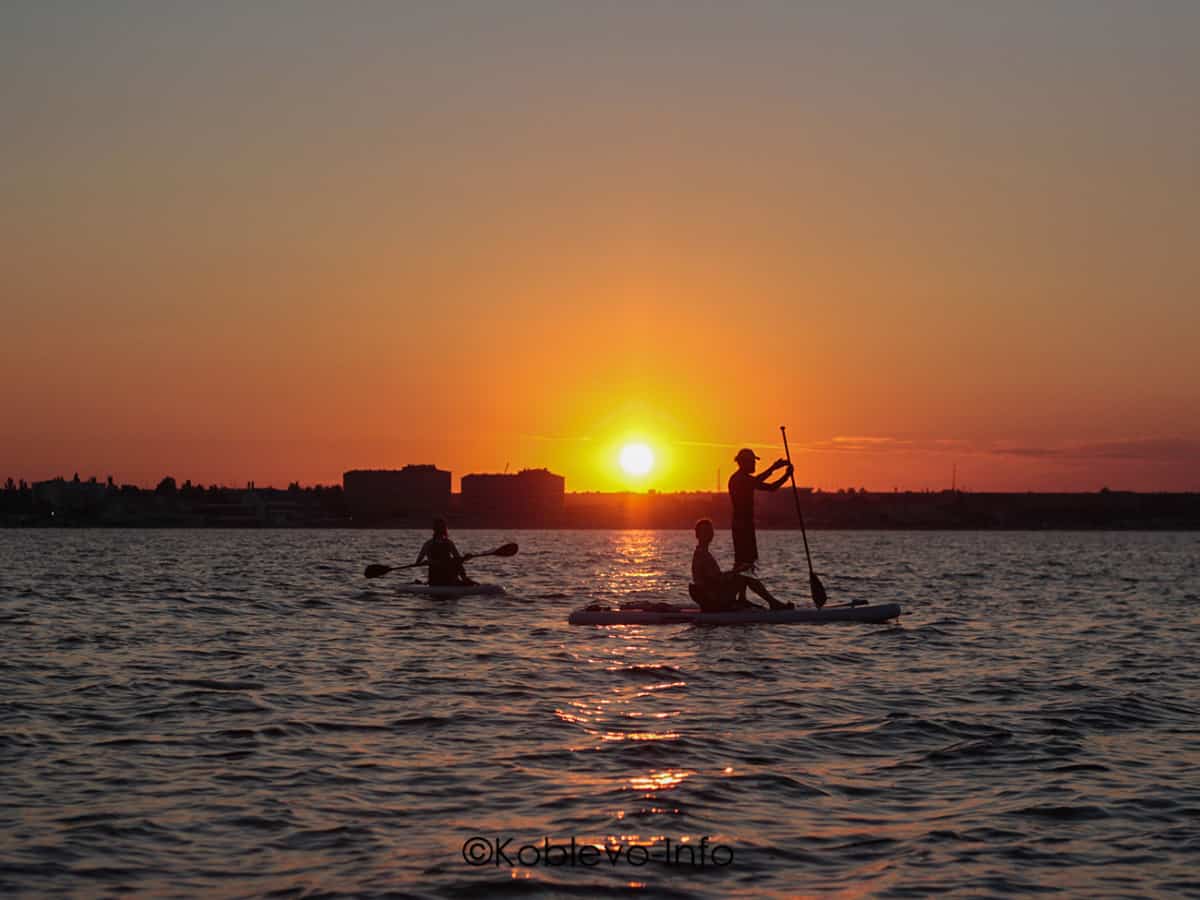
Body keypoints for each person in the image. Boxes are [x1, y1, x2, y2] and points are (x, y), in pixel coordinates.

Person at [690, 519, 792, 611]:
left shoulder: (703, 553)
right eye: (704, 531)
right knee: (744, 574)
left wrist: (736, 571)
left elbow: (717, 578)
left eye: (709, 531)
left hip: (714, 595)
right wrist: (738, 571)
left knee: (743, 573)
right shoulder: (702, 555)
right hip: (713, 598)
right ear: (697, 535)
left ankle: (744, 600)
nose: (708, 534)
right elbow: (717, 579)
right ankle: (773, 603)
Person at [728, 447, 792, 576]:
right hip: (742, 526)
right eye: (752, 462)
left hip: (745, 526)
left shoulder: (744, 479)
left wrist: (781, 472)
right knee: (744, 562)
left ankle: (741, 594)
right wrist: (779, 471)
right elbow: (763, 483)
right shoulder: (739, 479)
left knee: (747, 561)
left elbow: (765, 484)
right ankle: (735, 589)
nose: (754, 464)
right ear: (743, 463)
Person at [415, 518, 476, 586]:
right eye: (440, 527)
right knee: (455, 560)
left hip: (444, 578)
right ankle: (464, 579)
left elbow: (458, 559)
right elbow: (458, 560)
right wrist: (429, 562)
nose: (440, 529)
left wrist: (465, 558)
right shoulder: (431, 544)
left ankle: (464, 579)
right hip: (437, 579)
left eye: (441, 527)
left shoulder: (430, 543)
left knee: (455, 560)